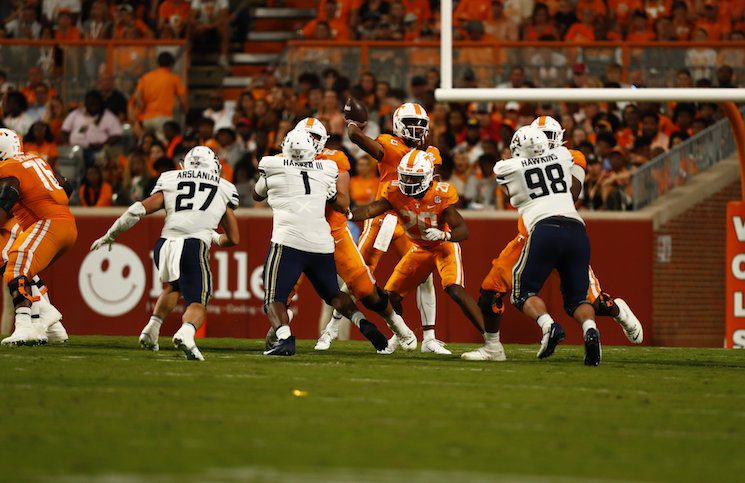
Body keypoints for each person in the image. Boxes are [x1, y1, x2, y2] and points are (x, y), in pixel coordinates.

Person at [464, 116, 643, 362]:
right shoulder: (560, 158)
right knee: (490, 291)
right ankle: (493, 347)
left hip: (546, 228)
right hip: (531, 234)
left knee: (591, 299)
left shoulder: (566, 156)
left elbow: (573, 193)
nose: (542, 144)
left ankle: (617, 310)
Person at [90, 146, 240, 361]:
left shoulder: (171, 178)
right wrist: (214, 237)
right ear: (214, 166)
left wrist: (111, 234)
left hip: (165, 244)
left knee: (175, 286)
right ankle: (186, 333)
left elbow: (138, 209)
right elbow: (233, 238)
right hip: (192, 245)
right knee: (198, 301)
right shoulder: (224, 187)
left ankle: (152, 330)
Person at [254, 129, 391, 356]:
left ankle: (285, 338)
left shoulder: (272, 165)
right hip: (321, 242)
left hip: (288, 240)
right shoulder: (327, 168)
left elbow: (256, 195)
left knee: (273, 299)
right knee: (334, 295)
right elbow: (338, 201)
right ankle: (365, 325)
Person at [286, 118, 415, 353]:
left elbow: (343, 203)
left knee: (365, 290)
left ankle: (400, 328)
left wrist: (329, 191)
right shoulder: (281, 162)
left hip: (333, 233)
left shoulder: (334, 160)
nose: (307, 142)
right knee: (282, 291)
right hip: (296, 233)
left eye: (313, 138)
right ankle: (279, 335)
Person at [349, 149, 494, 356]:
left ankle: (492, 341)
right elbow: (371, 209)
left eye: (413, 178)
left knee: (454, 289)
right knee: (391, 297)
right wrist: (347, 212)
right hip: (419, 248)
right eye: (405, 176)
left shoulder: (440, 193)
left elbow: (463, 231)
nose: (407, 181)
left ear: (427, 177)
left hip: (443, 246)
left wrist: (444, 236)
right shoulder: (394, 191)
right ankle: (400, 336)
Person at [492, 126, 601, 365]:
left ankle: (548, 325)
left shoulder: (507, 167)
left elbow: (505, 178)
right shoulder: (563, 155)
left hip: (545, 228)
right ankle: (590, 330)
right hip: (576, 229)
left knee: (522, 293)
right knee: (577, 299)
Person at [343, 101, 445, 353]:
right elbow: (357, 138)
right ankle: (331, 330)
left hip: (413, 220)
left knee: (424, 277)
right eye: (411, 124)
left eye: (420, 125)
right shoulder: (389, 143)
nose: (416, 129)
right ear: (399, 125)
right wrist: (354, 125)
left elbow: (435, 189)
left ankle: (429, 338)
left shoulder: (431, 153)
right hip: (384, 217)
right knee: (359, 272)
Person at [0, 129, 76, 346]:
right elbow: (66, 185)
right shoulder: (34, 158)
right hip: (60, 222)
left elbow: (5, 201)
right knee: (21, 266)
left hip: (45, 223)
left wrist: (40, 212)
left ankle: (25, 325)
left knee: (14, 264)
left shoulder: (9, 169)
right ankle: (51, 322)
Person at [132, 52, 187, 137]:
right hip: (164, 118)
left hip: (146, 119)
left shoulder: (146, 77)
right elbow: (183, 100)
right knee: (163, 144)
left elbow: (136, 96)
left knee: (147, 143)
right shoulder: (174, 78)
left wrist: (142, 108)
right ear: (171, 64)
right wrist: (185, 110)